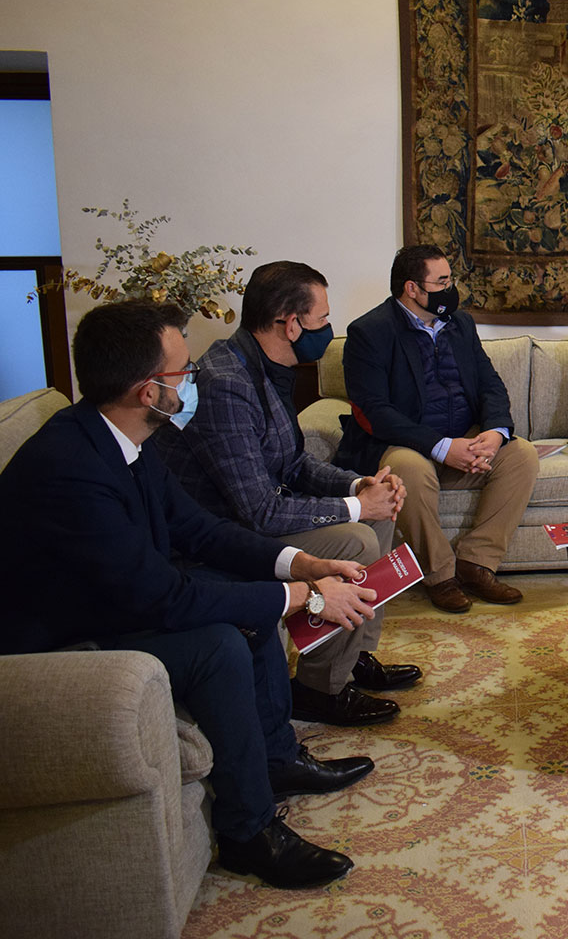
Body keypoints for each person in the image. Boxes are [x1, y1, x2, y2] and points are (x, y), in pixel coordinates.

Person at [0, 300, 380, 888]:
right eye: (184, 374)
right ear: (148, 392)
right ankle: (248, 832)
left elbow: (198, 529)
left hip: (114, 599)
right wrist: (305, 599)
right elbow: (162, 600)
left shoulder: (119, 438)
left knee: (247, 596)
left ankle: (275, 759)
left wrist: (298, 563)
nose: (194, 383)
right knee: (220, 642)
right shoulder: (68, 470)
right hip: (61, 640)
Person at [157, 261, 421, 727]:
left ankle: (351, 654)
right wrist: (357, 507)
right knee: (357, 539)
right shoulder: (225, 384)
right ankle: (319, 689)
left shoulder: (270, 368)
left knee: (381, 513)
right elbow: (258, 511)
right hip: (223, 538)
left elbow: (294, 463)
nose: (327, 328)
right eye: (321, 319)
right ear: (291, 323)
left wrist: (359, 485)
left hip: (253, 518)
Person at [337, 245, 540, 614]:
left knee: (522, 455)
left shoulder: (460, 323)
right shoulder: (370, 332)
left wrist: (494, 433)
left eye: (450, 280)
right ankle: (439, 575)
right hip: (406, 445)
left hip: (466, 437)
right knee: (409, 470)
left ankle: (477, 564)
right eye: (442, 281)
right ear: (412, 288)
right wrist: (442, 447)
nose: (451, 289)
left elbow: (489, 384)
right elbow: (376, 410)